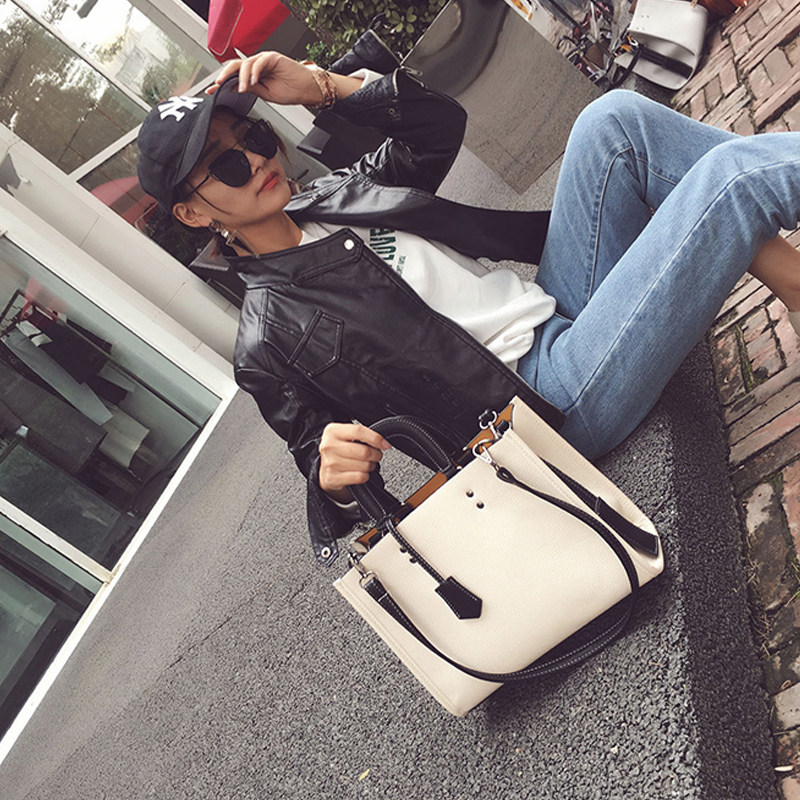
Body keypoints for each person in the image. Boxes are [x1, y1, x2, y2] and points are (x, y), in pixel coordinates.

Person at [136, 33, 800, 565]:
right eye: (225, 165)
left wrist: (323, 87)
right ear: (193, 214)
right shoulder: (266, 338)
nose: (255, 161)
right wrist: (330, 476)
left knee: (613, 121)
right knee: (727, 181)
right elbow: (321, 467)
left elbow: (436, 128)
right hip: (542, 407)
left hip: (548, 307)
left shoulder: (331, 196)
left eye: (253, 139)